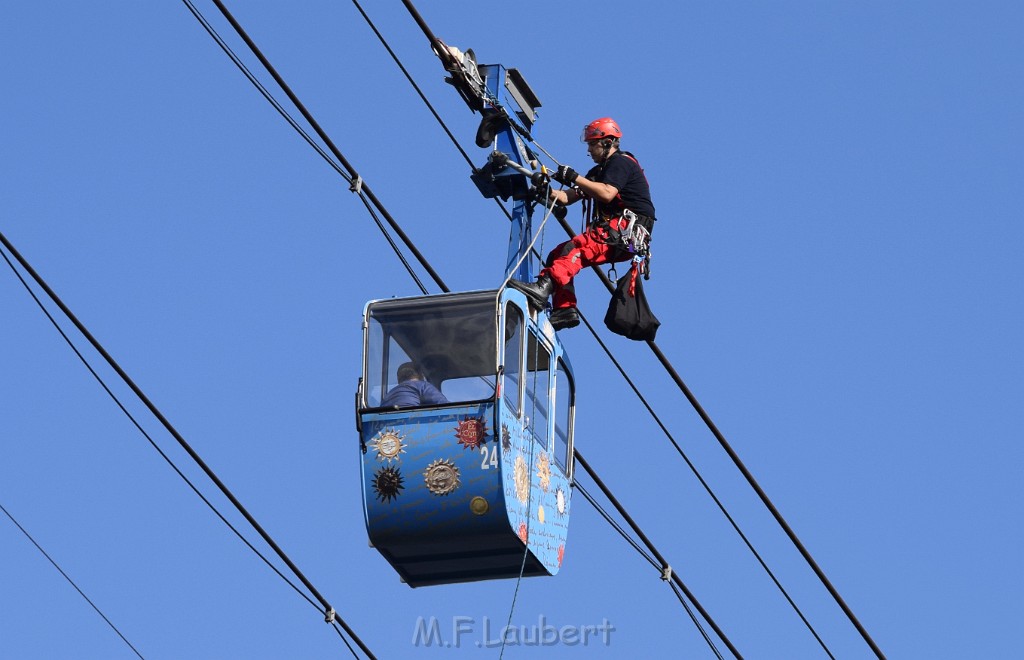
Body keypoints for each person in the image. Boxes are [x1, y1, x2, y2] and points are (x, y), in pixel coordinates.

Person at [509, 117, 656, 330]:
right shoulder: (598, 173)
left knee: (572, 249)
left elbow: (607, 194)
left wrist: (575, 177)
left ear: (607, 142)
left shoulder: (621, 163)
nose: (589, 150)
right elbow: (566, 198)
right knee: (557, 254)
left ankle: (542, 288)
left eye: (592, 144)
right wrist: (546, 190)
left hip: (625, 231)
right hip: (619, 236)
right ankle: (565, 309)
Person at [380, 362, 449, 408]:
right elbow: (443, 404)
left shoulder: (388, 394)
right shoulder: (423, 386)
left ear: (398, 379)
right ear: (421, 375)